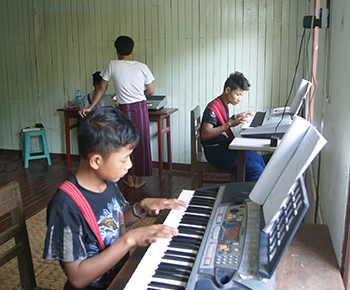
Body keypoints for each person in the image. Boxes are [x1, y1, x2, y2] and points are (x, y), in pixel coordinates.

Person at [43, 106, 186, 290]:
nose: (130, 164)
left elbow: (113, 220)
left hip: (119, 277)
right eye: (124, 159)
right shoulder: (65, 206)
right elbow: (77, 278)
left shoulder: (107, 182)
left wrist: (140, 207)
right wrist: (129, 240)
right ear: (96, 161)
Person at [79, 36, 154, 189]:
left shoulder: (112, 65)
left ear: (117, 52)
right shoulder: (142, 66)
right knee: (141, 141)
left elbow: (101, 88)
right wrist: (140, 95)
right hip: (140, 107)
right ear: (132, 51)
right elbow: (151, 91)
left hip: (124, 108)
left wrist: (90, 107)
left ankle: (127, 178)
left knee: (124, 142)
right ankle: (137, 181)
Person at [200, 71, 266, 182]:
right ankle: (248, 196)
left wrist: (236, 116)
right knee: (255, 169)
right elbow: (205, 134)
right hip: (215, 152)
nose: (240, 98)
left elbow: (220, 122)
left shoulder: (222, 103)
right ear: (227, 90)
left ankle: (262, 191)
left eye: (241, 95)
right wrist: (229, 124)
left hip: (223, 146)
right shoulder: (212, 108)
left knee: (258, 158)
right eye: (238, 94)